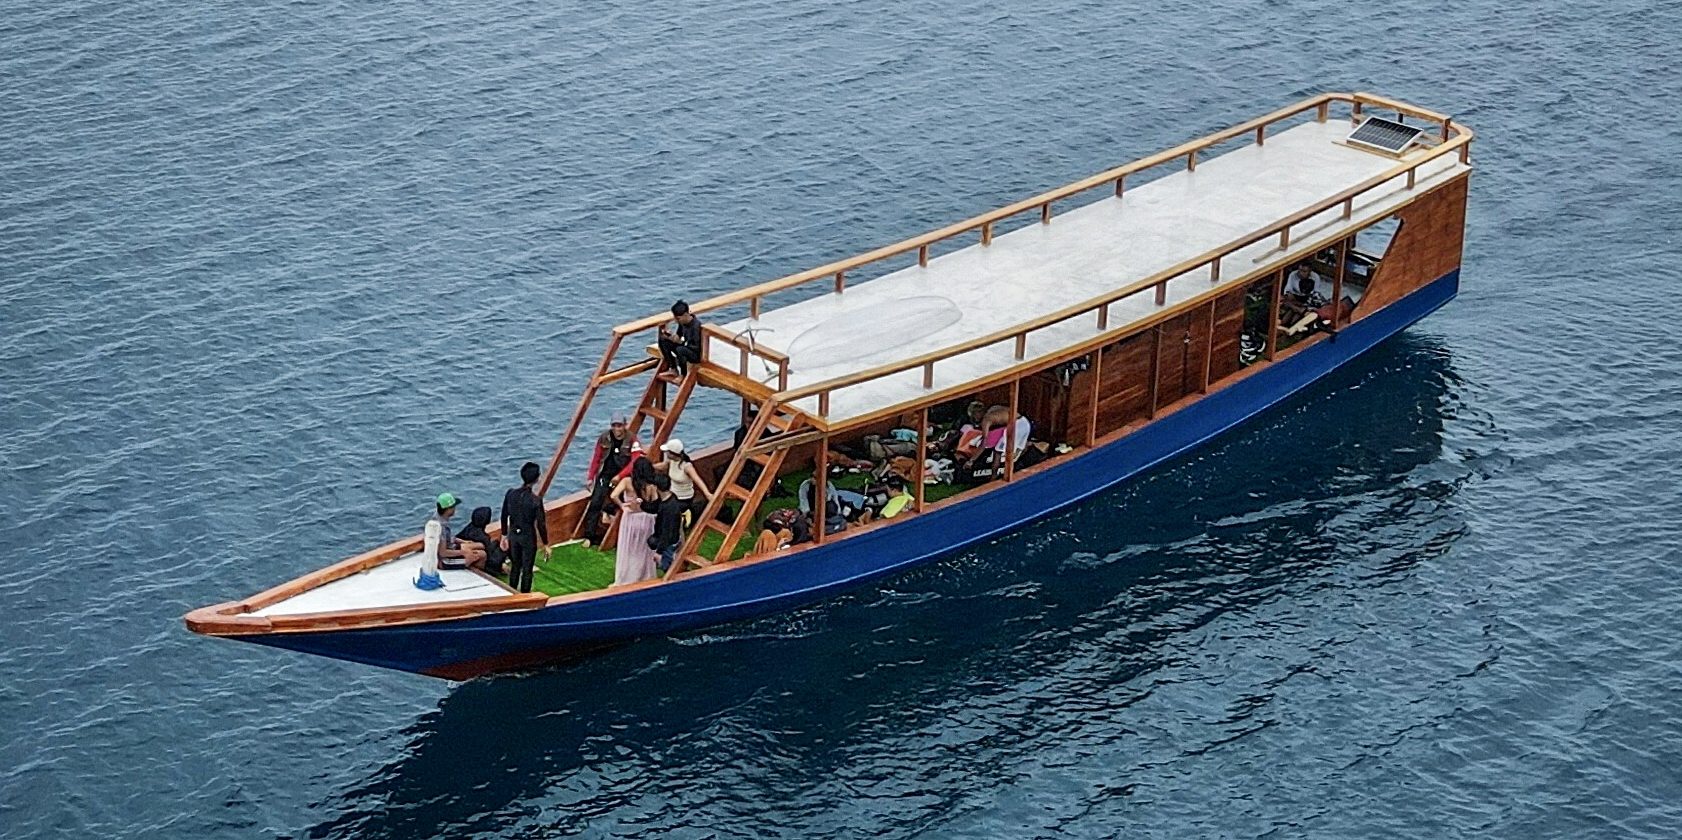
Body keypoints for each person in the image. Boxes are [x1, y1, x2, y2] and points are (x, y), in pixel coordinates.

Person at [582, 415, 634, 546]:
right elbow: (597, 457)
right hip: (605, 474)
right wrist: (590, 477)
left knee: (623, 500)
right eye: (614, 425)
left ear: (625, 425)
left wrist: (620, 476)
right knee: (595, 502)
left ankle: (610, 514)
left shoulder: (632, 439)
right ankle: (589, 536)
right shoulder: (604, 438)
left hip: (622, 477)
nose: (617, 428)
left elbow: (634, 460)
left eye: (620, 425)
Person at [500, 461, 549, 593]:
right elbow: (541, 524)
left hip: (513, 535)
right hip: (527, 537)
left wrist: (504, 535)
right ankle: (525, 595)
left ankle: (511, 591)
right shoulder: (535, 500)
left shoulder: (510, 494)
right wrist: (546, 544)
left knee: (516, 565)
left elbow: (504, 515)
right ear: (537, 479)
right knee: (527, 568)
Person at [610, 470, 659, 584]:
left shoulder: (627, 481)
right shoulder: (651, 485)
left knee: (629, 548)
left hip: (631, 519)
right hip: (646, 518)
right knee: (644, 549)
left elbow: (613, 495)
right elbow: (655, 501)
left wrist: (622, 506)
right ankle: (644, 575)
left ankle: (627, 577)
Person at [640, 474, 687, 574]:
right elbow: (655, 507)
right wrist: (642, 505)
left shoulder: (668, 508)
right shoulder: (670, 499)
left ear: (657, 488)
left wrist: (659, 552)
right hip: (670, 540)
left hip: (669, 544)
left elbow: (666, 532)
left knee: (669, 570)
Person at [659, 438, 713, 522]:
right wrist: (649, 466)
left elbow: (697, 480)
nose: (665, 453)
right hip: (673, 494)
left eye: (667, 452)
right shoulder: (671, 460)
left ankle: (687, 514)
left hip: (684, 497)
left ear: (673, 454)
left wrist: (707, 494)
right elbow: (663, 466)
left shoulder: (687, 466)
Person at [429, 493, 486, 570]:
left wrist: (462, 541)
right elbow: (443, 552)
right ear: (448, 509)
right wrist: (464, 552)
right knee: (482, 555)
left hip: (451, 548)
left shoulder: (439, 517)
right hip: (445, 560)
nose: (455, 509)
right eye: (453, 507)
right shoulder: (440, 527)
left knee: (480, 545)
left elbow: (448, 538)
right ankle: (476, 571)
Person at [657, 300, 702, 382]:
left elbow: (696, 347)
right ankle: (673, 368)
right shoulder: (682, 323)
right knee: (663, 341)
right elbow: (678, 336)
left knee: (680, 350)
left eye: (678, 318)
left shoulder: (696, 327)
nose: (676, 321)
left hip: (695, 353)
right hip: (686, 347)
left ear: (685, 315)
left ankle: (683, 375)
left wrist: (682, 344)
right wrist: (669, 336)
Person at [455, 506, 506, 576]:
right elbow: (490, 557)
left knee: (495, 543)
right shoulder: (483, 537)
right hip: (485, 563)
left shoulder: (468, 529)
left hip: (466, 554)